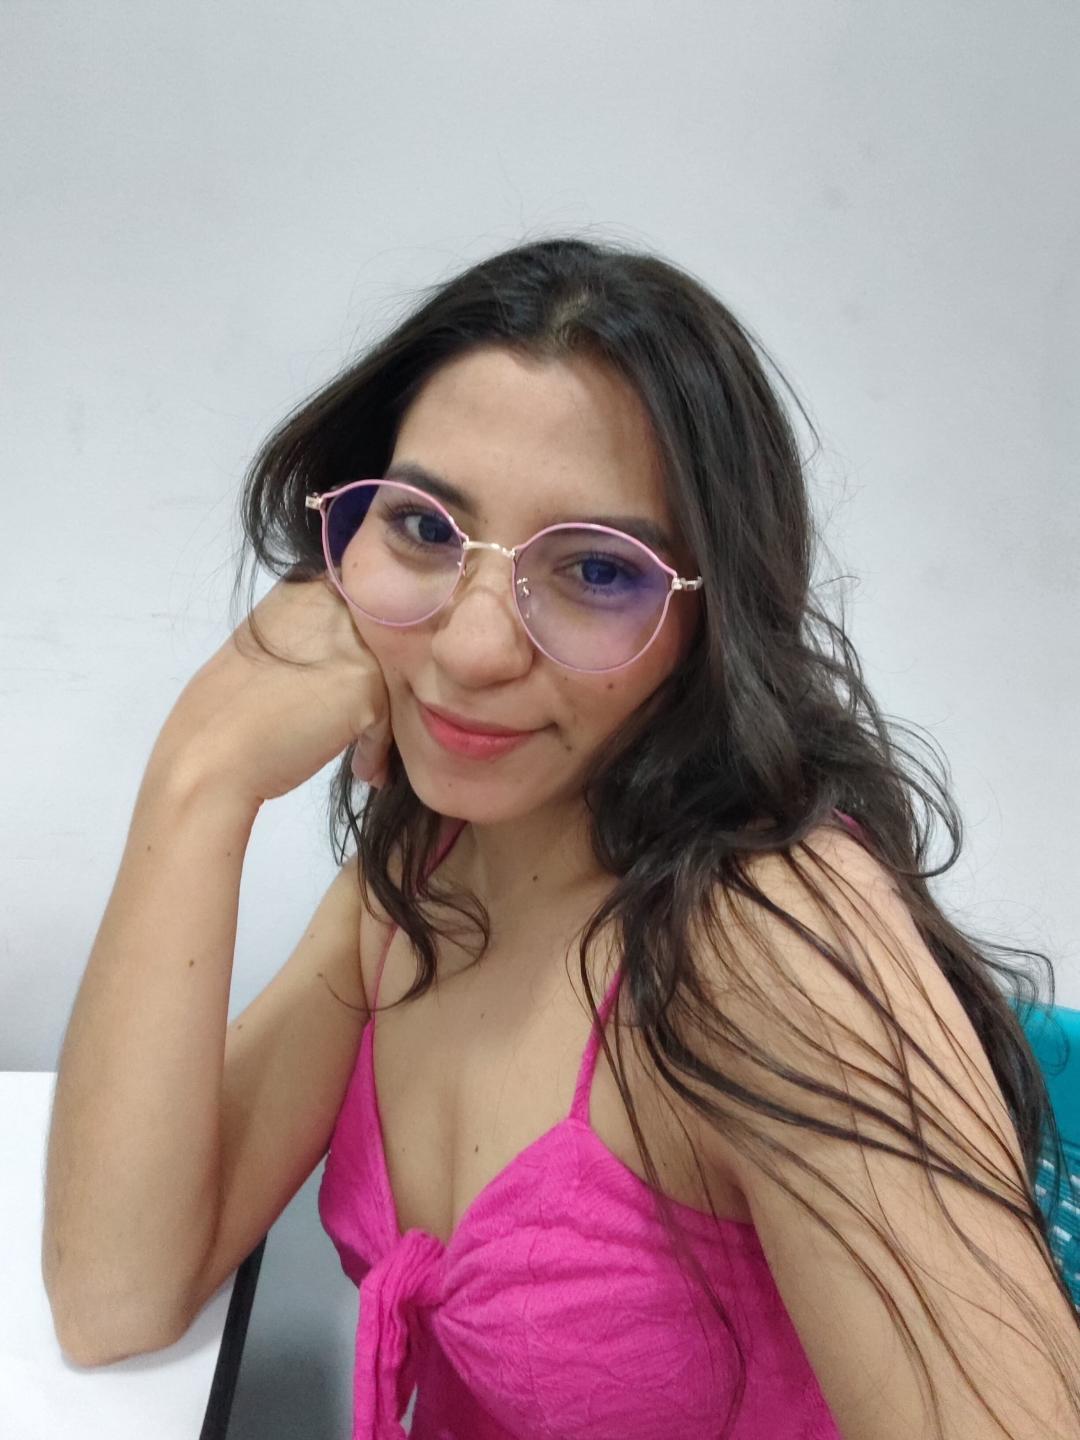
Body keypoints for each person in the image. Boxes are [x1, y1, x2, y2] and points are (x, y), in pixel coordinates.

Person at [44, 237, 1080, 1438]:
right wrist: (199, 777)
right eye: (425, 527)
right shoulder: (432, 864)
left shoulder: (764, 946)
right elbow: (113, 1294)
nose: (476, 647)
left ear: (711, 620)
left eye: (593, 568)